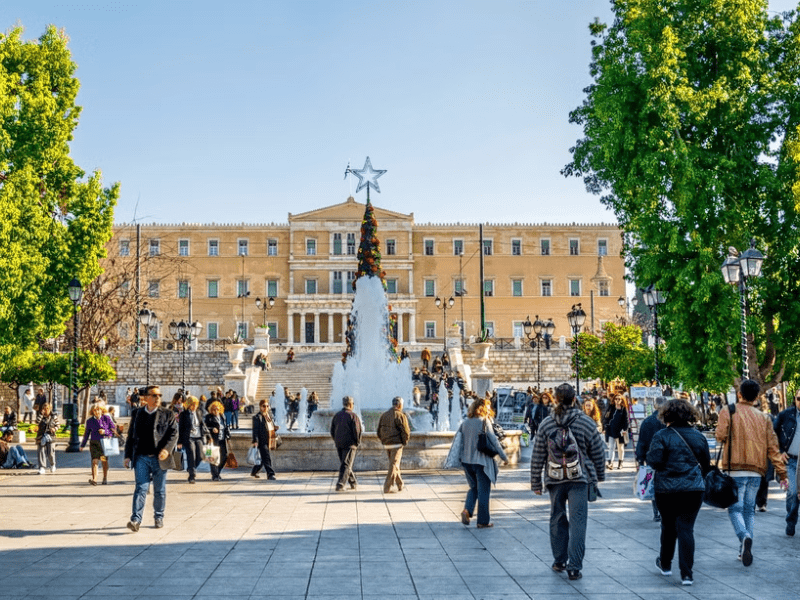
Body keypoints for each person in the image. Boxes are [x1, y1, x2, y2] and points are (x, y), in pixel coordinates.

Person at [530, 383, 606, 581]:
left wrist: (535, 483)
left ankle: (559, 560)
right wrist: (599, 475)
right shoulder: (586, 423)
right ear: (574, 399)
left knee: (557, 517)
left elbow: (538, 454)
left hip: (554, 478)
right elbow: (598, 451)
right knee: (578, 520)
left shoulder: (546, 423)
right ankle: (575, 566)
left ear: (555, 399)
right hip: (579, 478)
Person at [716, 379, 788, 566]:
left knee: (734, 508)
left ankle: (744, 537)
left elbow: (720, 436)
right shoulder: (764, 418)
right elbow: (773, 448)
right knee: (749, 510)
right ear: (757, 397)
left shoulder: (728, 411)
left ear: (740, 394)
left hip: (735, 468)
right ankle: (745, 548)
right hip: (757, 470)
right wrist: (782, 474)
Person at [646, 399, 711, 586]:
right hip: (693, 488)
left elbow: (655, 461)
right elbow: (705, 464)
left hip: (666, 489)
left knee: (668, 526)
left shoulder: (661, 436)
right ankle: (687, 574)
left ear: (666, 415)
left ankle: (665, 564)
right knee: (686, 528)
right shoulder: (699, 437)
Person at [124, 385, 178, 532]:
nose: (157, 398)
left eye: (159, 395)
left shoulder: (168, 414)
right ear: (146, 398)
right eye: (154, 395)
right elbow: (131, 436)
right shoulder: (137, 413)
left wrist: (167, 450)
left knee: (159, 490)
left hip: (159, 458)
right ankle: (135, 520)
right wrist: (127, 456)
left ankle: (159, 516)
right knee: (140, 488)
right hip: (141, 457)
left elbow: (174, 434)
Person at [448, 398, 508, 528]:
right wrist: (504, 457)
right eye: (487, 407)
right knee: (484, 491)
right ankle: (482, 521)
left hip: (467, 462)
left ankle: (467, 510)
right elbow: (494, 441)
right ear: (482, 408)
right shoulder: (484, 422)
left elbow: (458, 442)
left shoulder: (465, 422)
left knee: (473, 488)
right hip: (481, 462)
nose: (489, 409)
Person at [636, 396, 668, 522]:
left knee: (654, 485)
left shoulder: (647, 421)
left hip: (652, 459)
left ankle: (656, 512)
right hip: (668, 458)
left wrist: (640, 459)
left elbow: (642, 442)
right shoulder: (669, 421)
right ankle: (666, 509)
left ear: (655, 406)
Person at [774, 389, 800, 536]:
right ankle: (791, 521)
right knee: (792, 492)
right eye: (799, 398)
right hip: (790, 460)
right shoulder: (786, 415)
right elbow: (772, 432)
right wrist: (780, 450)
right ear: (795, 399)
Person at [377, 396, 411, 493]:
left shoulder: (384, 415)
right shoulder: (400, 415)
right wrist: (404, 442)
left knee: (394, 464)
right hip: (396, 444)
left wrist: (383, 440)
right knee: (393, 465)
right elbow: (406, 431)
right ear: (400, 405)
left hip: (387, 444)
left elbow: (378, 431)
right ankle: (387, 487)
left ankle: (400, 484)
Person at [330, 396, 362, 492]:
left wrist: (336, 440)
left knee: (345, 463)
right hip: (350, 444)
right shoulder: (353, 416)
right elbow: (357, 431)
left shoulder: (337, 415)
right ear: (351, 404)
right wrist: (357, 442)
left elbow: (332, 430)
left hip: (339, 443)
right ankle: (340, 484)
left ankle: (353, 482)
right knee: (346, 464)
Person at [80, 403, 117, 485]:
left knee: (104, 461)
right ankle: (95, 479)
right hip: (94, 443)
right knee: (94, 461)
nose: (97, 412)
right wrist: (82, 445)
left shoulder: (106, 418)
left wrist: (105, 432)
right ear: (92, 412)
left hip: (104, 443)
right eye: (95, 410)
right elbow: (86, 434)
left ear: (101, 410)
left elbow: (113, 429)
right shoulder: (89, 421)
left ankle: (105, 477)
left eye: (98, 410)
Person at [177, 396, 210, 484]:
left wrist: (209, 436)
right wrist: (179, 441)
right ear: (188, 405)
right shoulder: (184, 414)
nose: (194, 406)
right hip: (189, 437)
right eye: (192, 404)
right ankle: (192, 475)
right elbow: (181, 428)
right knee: (191, 454)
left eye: (195, 404)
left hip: (199, 436)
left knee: (200, 456)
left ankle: (191, 468)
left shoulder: (199, 412)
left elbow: (203, 425)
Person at [251, 399, 278, 480]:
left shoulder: (268, 417)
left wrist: (275, 428)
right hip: (261, 441)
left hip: (269, 440)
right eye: (264, 406)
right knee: (266, 457)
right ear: (260, 407)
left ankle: (254, 471)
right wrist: (255, 441)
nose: (265, 407)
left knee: (263, 459)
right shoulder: (257, 417)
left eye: (267, 406)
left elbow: (270, 427)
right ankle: (270, 474)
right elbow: (255, 430)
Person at [205, 400, 230, 481]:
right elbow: (204, 428)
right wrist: (212, 429)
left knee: (224, 457)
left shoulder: (222, 416)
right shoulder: (209, 417)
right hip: (213, 440)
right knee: (213, 458)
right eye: (214, 409)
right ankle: (215, 475)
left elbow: (226, 426)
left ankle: (217, 472)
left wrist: (228, 435)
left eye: (218, 409)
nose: (216, 411)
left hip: (222, 439)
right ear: (211, 410)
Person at [603, 395, 629, 470]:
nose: (617, 400)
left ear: (621, 400)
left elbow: (626, 420)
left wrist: (625, 429)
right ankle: (610, 463)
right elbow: (606, 417)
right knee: (611, 447)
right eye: (616, 399)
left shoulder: (623, 409)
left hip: (620, 432)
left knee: (620, 448)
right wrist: (605, 426)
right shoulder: (611, 407)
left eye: (619, 399)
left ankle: (620, 462)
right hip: (610, 430)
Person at [35, 403, 59, 474]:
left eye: (47, 409)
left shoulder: (54, 416)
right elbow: (36, 422)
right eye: (44, 409)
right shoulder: (40, 416)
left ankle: (52, 464)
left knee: (50, 452)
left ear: (50, 409)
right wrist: (41, 415)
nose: (46, 410)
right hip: (41, 436)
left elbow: (58, 425)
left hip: (50, 436)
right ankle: (42, 467)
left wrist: (54, 428)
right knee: (41, 451)